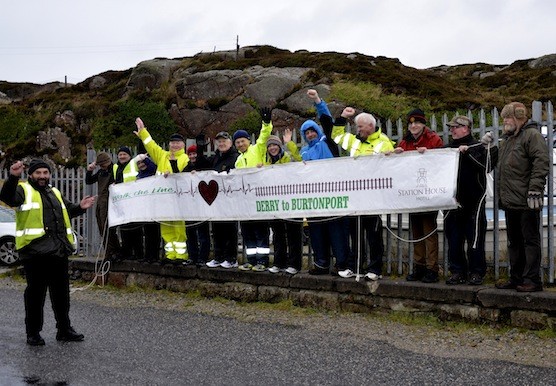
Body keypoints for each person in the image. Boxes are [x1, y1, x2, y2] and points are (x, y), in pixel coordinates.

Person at [0, 159, 95, 346]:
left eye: (45, 173)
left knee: (61, 295)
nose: (42, 176)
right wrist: (13, 177)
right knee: (36, 295)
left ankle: (64, 329)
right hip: (35, 253)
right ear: (31, 175)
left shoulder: (55, 192)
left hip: (58, 251)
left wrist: (80, 208)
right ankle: (33, 333)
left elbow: (67, 211)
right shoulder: (23, 190)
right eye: (38, 173)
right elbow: (7, 198)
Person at [331, 102, 395, 281]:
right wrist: (343, 118)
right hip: (355, 197)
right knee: (355, 234)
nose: (357, 129)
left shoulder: (384, 143)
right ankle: (354, 266)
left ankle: (375, 268)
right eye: (356, 126)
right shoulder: (354, 140)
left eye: (360, 126)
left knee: (373, 236)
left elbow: (392, 165)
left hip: (373, 198)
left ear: (370, 126)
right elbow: (336, 136)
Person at [491, 102, 549, 292]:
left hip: (526, 200)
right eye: (504, 118)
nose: (505, 121)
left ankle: (532, 280)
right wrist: (487, 147)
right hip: (511, 201)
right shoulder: (508, 140)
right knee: (514, 241)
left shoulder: (532, 136)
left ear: (519, 117)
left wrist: (535, 189)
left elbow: (541, 162)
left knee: (530, 241)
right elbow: (496, 163)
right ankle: (516, 278)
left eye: (508, 117)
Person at [302, 90, 352, 277]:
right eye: (306, 132)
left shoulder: (327, 141)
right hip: (314, 198)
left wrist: (317, 101)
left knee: (337, 232)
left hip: (333, 195)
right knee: (317, 233)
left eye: (312, 130)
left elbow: (326, 119)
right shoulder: (304, 152)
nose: (310, 134)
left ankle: (342, 265)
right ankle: (321, 264)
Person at [444, 116, 497, 285]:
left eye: (455, 127)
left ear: (466, 128)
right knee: (453, 238)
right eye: (451, 127)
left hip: (474, 201)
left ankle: (476, 271)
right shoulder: (447, 148)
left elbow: (486, 166)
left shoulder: (478, 147)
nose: (452, 130)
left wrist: (468, 153)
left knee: (475, 238)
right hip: (452, 202)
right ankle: (457, 271)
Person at [394, 108, 444, 283]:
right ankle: (419, 266)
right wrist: (395, 154)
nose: (414, 126)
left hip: (429, 193)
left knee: (429, 232)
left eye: (417, 122)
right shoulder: (404, 142)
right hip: (412, 194)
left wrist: (429, 155)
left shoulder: (434, 139)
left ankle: (432, 268)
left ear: (423, 124)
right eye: (411, 123)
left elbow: (442, 162)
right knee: (416, 232)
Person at [134, 118, 190, 265]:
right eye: (173, 142)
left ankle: (181, 256)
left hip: (178, 199)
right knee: (166, 228)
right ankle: (170, 254)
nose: (175, 145)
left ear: (183, 145)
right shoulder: (162, 155)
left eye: (178, 142)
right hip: (163, 200)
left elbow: (184, 176)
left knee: (179, 228)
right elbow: (151, 145)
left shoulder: (184, 158)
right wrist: (143, 132)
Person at [234, 108, 272, 272]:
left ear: (248, 141)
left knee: (260, 232)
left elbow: (264, 135)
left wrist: (266, 122)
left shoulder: (257, 149)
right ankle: (251, 260)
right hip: (244, 202)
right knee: (248, 233)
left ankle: (262, 261)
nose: (240, 144)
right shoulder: (237, 160)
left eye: (243, 141)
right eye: (237, 142)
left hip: (258, 199)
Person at [196, 131, 240, 269]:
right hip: (216, 200)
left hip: (230, 200)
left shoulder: (235, 157)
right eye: (219, 141)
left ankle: (231, 258)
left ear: (230, 143)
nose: (221, 144)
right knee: (217, 230)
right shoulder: (216, 157)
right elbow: (201, 165)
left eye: (224, 141)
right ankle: (218, 256)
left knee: (230, 230)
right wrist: (200, 148)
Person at [264, 129, 303, 275]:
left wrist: (290, 144)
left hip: (291, 201)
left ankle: (295, 264)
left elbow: (299, 160)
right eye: (269, 146)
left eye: (275, 145)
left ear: (279, 146)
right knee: (278, 234)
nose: (272, 148)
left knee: (294, 234)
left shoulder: (288, 158)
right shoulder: (267, 164)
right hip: (275, 203)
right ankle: (279, 262)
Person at [85, 152, 120, 261]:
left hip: (110, 201)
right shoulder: (101, 172)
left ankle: (113, 252)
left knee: (108, 227)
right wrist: (90, 170)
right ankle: (109, 251)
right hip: (101, 200)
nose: (101, 166)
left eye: (102, 164)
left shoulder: (115, 169)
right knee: (101, 227)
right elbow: (89, 181)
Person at [183, 144, 211, 266]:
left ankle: (203, 257)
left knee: (203, 233)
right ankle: (192, 256)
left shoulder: (204, 164)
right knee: (190, 233)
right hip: (189, 205)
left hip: (202, 205)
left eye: (194, 154)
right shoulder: (186, 168)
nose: (192, 156)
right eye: (190, 154)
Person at [113, 146, 142, 261]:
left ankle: (139, 253)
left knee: (135, 229)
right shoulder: (116, 167)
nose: (122, 156)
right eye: (120, 154)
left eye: (124, 154)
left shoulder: (133, 164)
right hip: (122, 203)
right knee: (124, 229)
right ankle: (127, 252)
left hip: (134, 202)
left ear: (129, 156)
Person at [135, 154, 162, 263]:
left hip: (154, 206)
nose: (141, 165)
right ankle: (148, 255)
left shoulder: (153, 172)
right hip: (144, 207)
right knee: (147, 232)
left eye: (142, 162)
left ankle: (154, 255)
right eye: (139, 163)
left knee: (154, 232)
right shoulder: (139, 175)